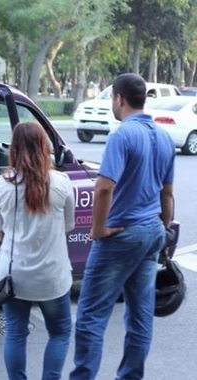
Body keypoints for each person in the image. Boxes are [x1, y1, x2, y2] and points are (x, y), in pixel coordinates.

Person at [70, 73, 176, 380]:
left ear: (119, 99)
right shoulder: (164, 137)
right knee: (140, 317)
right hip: (152, 232)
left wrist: (98, 230)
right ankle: (130, 376)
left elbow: (104, 188)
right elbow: (167, 194)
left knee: (91, 315)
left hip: (121, 235)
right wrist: (163, 233)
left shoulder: (121, 136)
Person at [0, 121, 75, 380]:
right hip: (51, 275)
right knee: (59, 332)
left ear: (13, 149)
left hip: (13, 275)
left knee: (15, 333)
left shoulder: (1, 186)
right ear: (44, 147)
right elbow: (68, 226)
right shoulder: (61, 183)